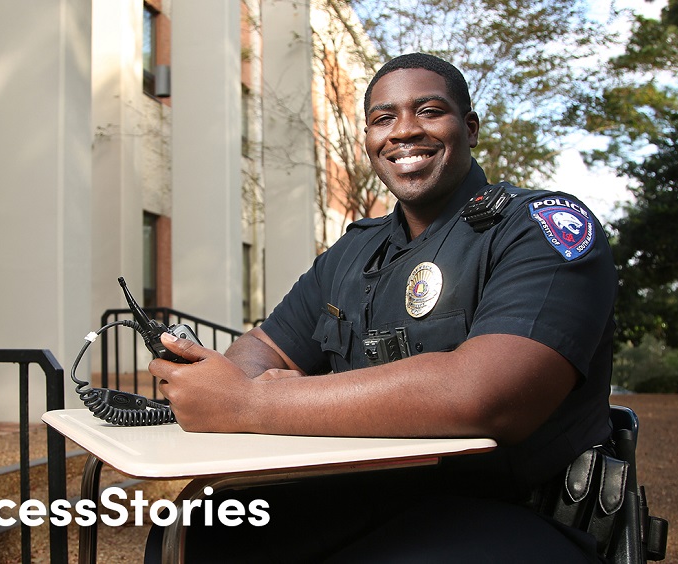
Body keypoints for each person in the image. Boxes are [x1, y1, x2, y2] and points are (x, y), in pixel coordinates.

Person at [146, 52, 617, 562]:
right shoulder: (353, 252)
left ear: (471, 127)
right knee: (202, 530)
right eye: (383, 119)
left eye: (430, 111)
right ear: (369, 141)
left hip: (511, 507)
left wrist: (250, 404)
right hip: (372, 489)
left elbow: (486, 395)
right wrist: (230, 381)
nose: (404, 131)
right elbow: (266, 347)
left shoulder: (542, 228)